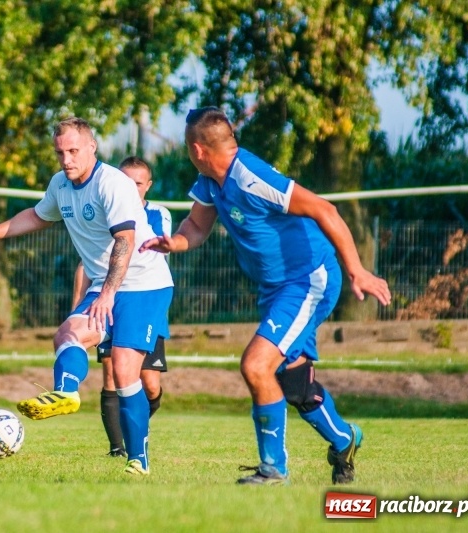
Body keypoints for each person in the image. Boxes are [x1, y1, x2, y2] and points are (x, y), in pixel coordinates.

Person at [140, 107, 391, 485]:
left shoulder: (251, 176)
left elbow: (325, 209)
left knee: (256, 366)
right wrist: (173, 242)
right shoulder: (211, 181)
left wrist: (357, 270)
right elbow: (195, 225)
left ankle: (273, 470)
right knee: (295, 385)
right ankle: (345, 440)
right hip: (276, 289)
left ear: (198, 149)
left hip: (308, 280)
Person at [0, 117, 174, 476]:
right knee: (67, 335)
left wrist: (107, 294)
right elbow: (36, 215)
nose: (66, 159)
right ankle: (66, 392)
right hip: (103, 283)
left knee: (124, 371)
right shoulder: (60, 185)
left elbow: (125, 240)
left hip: (143, 283)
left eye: (73, 150)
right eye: (60, 152)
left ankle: (138, 459)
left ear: (92, 148)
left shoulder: (114, 184)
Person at [71, 156, 172, 458]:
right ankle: (118, 448)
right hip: (107, 298)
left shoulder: (157, 214)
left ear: (148, 186)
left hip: (142, 297)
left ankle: (136, 426)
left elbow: (142, 247)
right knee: (112, 372)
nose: (129, 187)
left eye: (137, 183)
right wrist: (78, 306)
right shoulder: (105, 207)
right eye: (124, 181)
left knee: (150, 384)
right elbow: (87, 264)